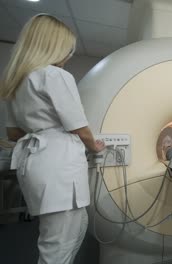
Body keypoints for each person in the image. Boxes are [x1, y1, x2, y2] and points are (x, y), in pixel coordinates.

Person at [0, 14, 105, 264]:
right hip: (58, 166)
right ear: (55, 46)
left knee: (75, 227)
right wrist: (95, 146)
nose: (69, 55)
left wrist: (40, 126)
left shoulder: (16, 80)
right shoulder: (55, 75)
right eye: (68, 49)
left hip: (32, 163)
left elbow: (13, 134)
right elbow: (78, 125)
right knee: (57, 246)